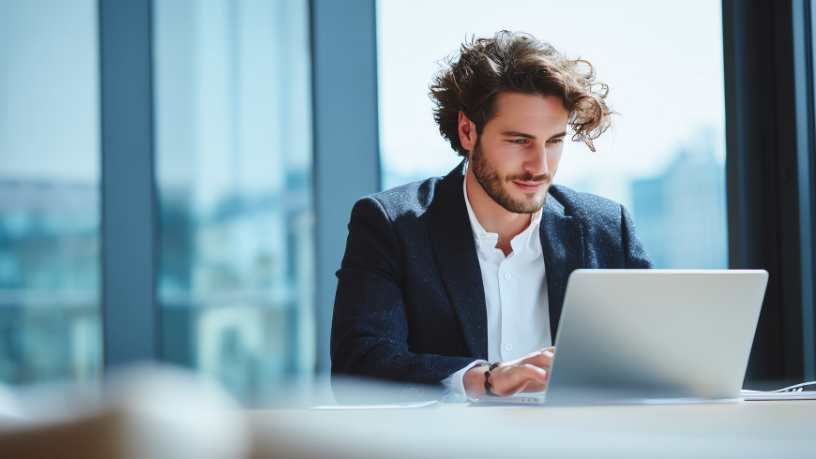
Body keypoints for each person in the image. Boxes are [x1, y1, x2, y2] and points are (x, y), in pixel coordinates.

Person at [330, 31, 653, 402]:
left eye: (554, 141)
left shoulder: (606, 228)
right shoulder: (393, 225)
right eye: (519, 141)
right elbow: (359, 365)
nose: (540, 166)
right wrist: (483, 380)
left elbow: (661, 356)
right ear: (468, 131)